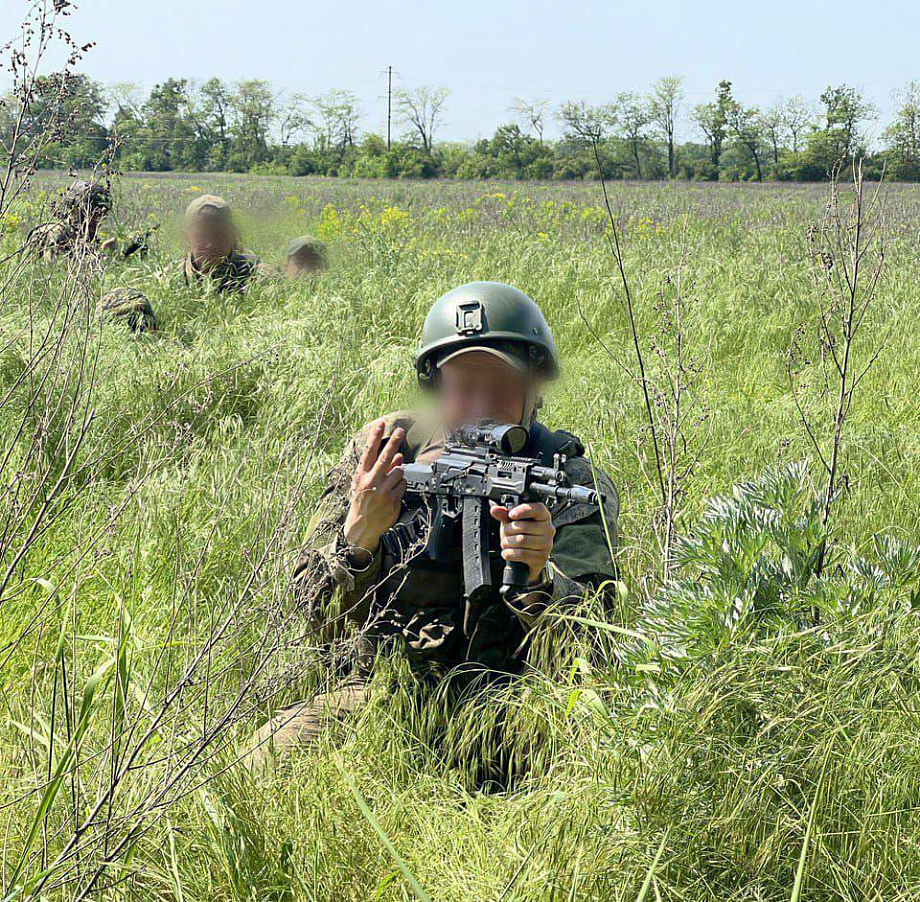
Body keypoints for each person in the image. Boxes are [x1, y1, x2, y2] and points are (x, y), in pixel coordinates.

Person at [246, 282, 618, 768]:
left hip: (516, 702)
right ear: (437, 387)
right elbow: (311, 618)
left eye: (502, 387)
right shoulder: (384, 453)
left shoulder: (564, 478)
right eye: (464, 387)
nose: (481, 405)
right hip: (383, 689)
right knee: (259, 764)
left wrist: (540, 582)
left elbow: (593, 652)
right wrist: (358, 540)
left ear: (534, 392)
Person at [182, 195, 270, 293]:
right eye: (202, 236)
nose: (211, 244)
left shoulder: (259, 277)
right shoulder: (169, 279)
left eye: (219, 235)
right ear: (186, 239)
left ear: (232, 236)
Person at [28, 179, 113, 261]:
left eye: (102, 214)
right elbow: (55, 268)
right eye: (93, 213)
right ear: (75, 211)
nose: (98, 219)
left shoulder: (86, 238)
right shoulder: (51, 234)